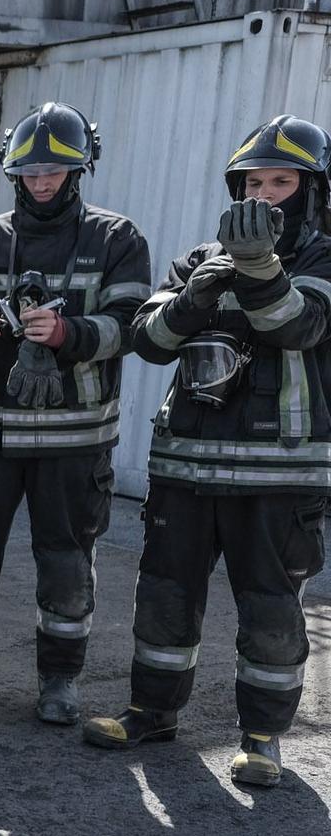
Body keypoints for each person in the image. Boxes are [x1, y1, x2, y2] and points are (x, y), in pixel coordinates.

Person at [84, 116, 331, 785]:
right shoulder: (201, 257)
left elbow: (299, 326)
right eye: (254, 182)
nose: (266, 195)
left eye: (282, 182)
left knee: (272, 610)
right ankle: (151, 711)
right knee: (165, 594)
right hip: (187, 467)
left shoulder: (323, 259)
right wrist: (196, 293)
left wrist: (256, 269)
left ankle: (262, 736)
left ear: (312, 191)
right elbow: (150, 340)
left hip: (279, 474)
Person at [0, 103, 152, 723]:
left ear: (79, 169)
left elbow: (132, 326)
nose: (42, 181)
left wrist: (66, 333)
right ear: (13, 172)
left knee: (66, 560)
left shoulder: (117, 239)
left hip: (74, 441)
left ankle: (59, 681)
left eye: (54, 169)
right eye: (29, 171)